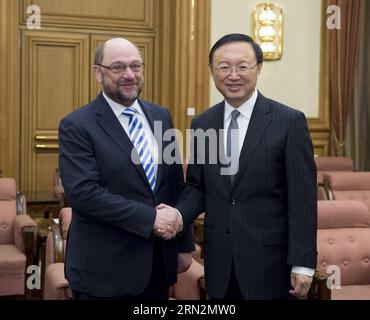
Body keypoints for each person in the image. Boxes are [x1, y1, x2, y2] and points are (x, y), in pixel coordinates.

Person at [171, 33, 317, 299]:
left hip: (272, 266)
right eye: (224, 67)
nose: (233, 75)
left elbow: (303, 201)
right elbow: (196, 188)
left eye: (242, 66)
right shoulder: (203, 124)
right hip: (220, 265)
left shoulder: (289, 122)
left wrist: (304, 263)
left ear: (258, 68)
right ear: (211, 72)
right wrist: (178, 217)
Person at [58, 38, 194, 300]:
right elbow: (83, 194)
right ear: (98, 72)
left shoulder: (161, 116)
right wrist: (151, 218)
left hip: (157, 266)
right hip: (103, 272)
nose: (129, 75)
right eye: (118, 67)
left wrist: (183, 244)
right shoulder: (77, 125)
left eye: (135, 66)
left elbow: (174, 183)